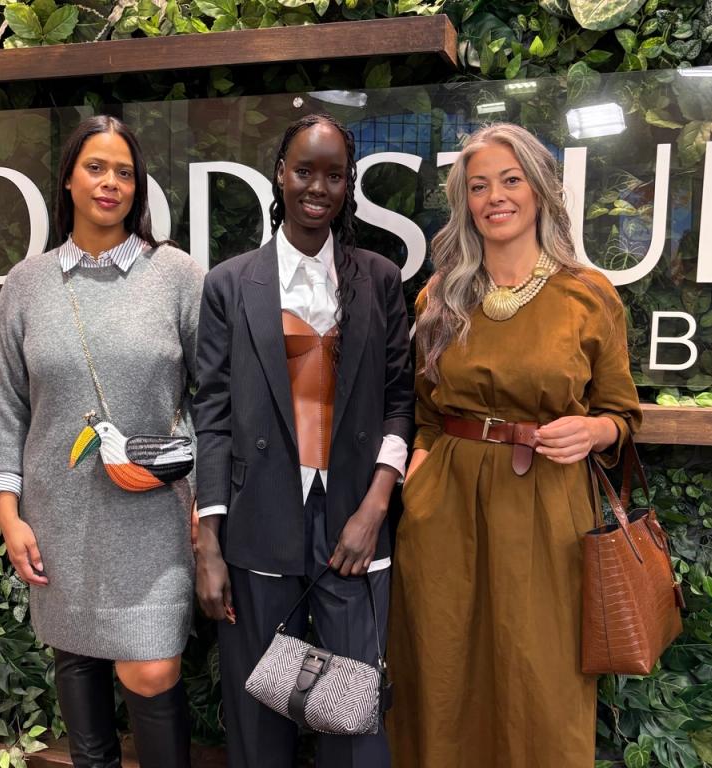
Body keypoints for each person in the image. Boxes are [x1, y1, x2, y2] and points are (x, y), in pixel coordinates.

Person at [386, 122, 643, 767]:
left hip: (548, 506)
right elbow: (424, 410)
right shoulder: (439, 296)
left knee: (541, 673)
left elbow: (621, 412)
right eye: (478, 186)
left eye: (510, 180)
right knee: (442, 665)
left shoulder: (587, 295)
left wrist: (594, 430)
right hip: (446, 504)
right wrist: (418, 476)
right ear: (464, 202)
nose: (495, 197)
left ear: (540, 191)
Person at [0, 115, 203, 768]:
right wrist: (9, 512)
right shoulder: (26, 285)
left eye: (124, 172)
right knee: (76, 659)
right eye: (96, 167)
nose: (110, 183)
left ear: (139, 187)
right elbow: (6, 406)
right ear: (69, 180)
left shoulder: (177, 275)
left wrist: (205, 494)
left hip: (156, 516)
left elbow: (217, 394)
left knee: (152, 669)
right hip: (59, 519)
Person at [192, 113, 413, 768]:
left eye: (334, 175)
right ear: (280, 175)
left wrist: (375, 508)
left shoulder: (379, 279)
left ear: (349, 185)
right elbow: (213, 414)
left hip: (353, 524)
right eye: (305, 171)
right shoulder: (230, 284)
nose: (318, 187)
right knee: (259, 721)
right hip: (259, 521)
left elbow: (400, 404)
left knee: (355, 720)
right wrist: (209, 541)